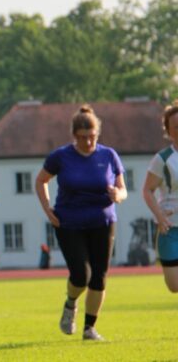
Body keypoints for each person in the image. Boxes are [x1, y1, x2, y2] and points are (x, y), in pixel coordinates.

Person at [35, 104, 127, 341]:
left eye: (92, 137)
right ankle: (70, 303)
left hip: (103, 222)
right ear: (74, 136)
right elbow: (41, 181)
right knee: (80, 275)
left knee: (99, 277)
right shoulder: (61, 156)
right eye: (83, 138)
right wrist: (47, 209)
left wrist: (118, 195)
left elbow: (122, 189)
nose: (88, 142)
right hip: (69, 223)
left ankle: (89, 328)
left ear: (98, 134)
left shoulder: (108, 156)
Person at [142, 100, 178, 292]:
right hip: (170, 228)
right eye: (176, 127)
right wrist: (159, 216)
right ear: (168, 131)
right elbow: (147, 190)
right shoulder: (162, 159)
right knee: (174, 286)